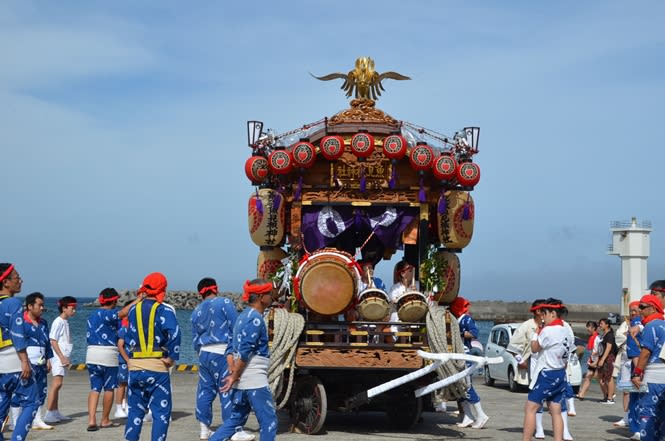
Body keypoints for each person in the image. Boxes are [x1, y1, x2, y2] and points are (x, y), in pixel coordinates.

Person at [209, 279, 277, 441]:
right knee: (269, 421)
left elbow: (230, 348)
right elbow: (246, 351)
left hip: (242, 379)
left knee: (236, 419)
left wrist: (234, 370)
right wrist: (234, 375)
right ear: (261, 297)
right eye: (269, 293)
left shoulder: (242, 317)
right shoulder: (255, 319)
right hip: (254, 379)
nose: (271, 296)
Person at [191, 277, 253, 441]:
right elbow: (236, 327)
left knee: (205, 391)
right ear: (215, 288)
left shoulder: (196, 310)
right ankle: (233, 430)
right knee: (228, 389)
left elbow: (195, 337)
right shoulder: (224, 303)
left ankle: (204, 429)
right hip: (223, 353)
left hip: (204, 353)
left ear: (201, 293)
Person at [123, 272, 181, 441]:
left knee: (135, 412)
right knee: (160, 414)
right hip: (156, 368)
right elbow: (175, 333)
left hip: (134, 367)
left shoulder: (133, 310)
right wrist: (171, 357)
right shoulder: (164, 309)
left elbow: (127, 336)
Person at [522, 298, 572, 441]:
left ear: (552, 313)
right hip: (560, 373)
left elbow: (534, 348)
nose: (542, 317)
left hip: (546, 374)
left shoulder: (548, 331)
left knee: (530, 408)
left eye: (544, 314)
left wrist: (537, 332)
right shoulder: (566, 330)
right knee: (556, 410)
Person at [0, 262, 39, 441]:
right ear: (6, 282)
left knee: (2, 406)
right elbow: (17, 334)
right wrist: (24, 361)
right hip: (13, 360)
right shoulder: (13, 303)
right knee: (31, 402)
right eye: (17, 278)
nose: (20, 281)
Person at [14, 292, 53, 430]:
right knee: (21, 391)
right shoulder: (21, 322)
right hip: (27, 361)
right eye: (40, 305)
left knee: (41, 391)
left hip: (41, 362)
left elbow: (47, 342)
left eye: (43, 305)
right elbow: (17, 342)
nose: (42, 308)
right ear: (30, 306)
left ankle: (38, 419)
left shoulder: (44, 323)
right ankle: (15, 421)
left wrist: (49, 359)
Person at [85, 287, 123, 431]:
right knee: (108, 388)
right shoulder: (111, 314)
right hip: (108, 354)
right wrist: (138, 300)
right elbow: (122, 316)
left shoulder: (92, 315)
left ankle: (91, 420)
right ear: (113, 301)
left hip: (91, 353)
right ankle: (105, 419)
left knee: (95, 388)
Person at [449, 296, 489, 429]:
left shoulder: (466, 319)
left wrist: (459, 333)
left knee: (467, 386)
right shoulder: (455, 320)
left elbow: (474, 333)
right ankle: (468, 416)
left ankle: (481, 414)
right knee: (459, 388)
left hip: (465, 355)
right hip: (457, 355)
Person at [631, 294, 665, 441]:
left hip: (653, 376)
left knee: (648, 413)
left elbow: (646, 352)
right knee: (662, 415)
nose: (639, 310)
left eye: (642, 307)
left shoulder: (651, 326)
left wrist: (637, 373)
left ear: (652, 308)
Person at [44, 296, 77, 424]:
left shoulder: (65, 321)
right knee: (56, 384)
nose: (74, 311)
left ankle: (55, 410)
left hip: (62, 356)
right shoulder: (58, 321)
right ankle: (49, 412)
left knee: (59, 384)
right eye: (72, 308)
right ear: (64, 308)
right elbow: (53, 340)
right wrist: (61, 357)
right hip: (58, 357)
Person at [114, 300, 132, 419]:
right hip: (124, 361)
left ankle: (128, 405)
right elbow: (120, 346)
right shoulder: (124, 329)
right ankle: (119, 407)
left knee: (131, 385)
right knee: (122, 384)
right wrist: (127, 359)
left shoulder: (134, 329)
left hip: (134, 361)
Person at [593, 318, 618, 404]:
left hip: (608, 358)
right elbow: (602, 348)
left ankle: (610, 398)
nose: (600, 325)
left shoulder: (609, 335)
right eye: (599, 323)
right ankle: (606, 396)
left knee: (608, 377)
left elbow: (608, 348)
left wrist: (602, 359)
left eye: (602, 323)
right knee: (600, 377)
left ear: (607, 325)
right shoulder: (604, 334)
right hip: (602, 357)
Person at [576, 320, 600, 400]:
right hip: (592, 360)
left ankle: (610, 394)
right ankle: (581, 394)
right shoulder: (592, 337)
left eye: (589, 327)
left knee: (600, 379)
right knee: (588, 376)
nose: (587, 329)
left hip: (597, 360)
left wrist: (596, 359)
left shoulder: (597, 338)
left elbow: (599, 350)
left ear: (593, 328)